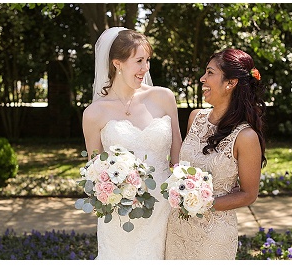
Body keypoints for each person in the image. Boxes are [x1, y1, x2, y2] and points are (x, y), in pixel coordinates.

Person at [81, 27, 182, 259]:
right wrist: (116, 194)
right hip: (120, 214)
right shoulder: (94, 113)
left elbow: (178, 151)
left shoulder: (164, 97)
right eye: (139, 61)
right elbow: (95, 172)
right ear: (117, 63)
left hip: (164, 209)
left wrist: (181, 193)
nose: (145, 68)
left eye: (147, 60)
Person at [165, 48, 266, 259]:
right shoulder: (195, 118)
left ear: (230, 83)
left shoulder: (245, 136)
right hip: (178, 228)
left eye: (210, 73)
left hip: (214, 237)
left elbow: (249, 194)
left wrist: (200, 203)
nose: (202, 78)